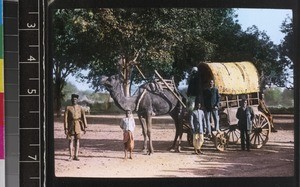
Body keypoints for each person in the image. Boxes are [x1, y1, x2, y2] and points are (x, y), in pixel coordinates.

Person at [64, 94, 87, 161]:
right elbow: (65, 119)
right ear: (71, 100)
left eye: (75, 99)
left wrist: (85, 127)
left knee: (77, 140)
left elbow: (84, 117)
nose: (74, 100)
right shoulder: (68, 108)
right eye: (73, 99)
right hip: (71, 125)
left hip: (78, 125)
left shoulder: (80, 108)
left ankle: (76, 156)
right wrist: (65, 128)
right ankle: (71, 156)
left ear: (77, 100)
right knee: (70, 140)